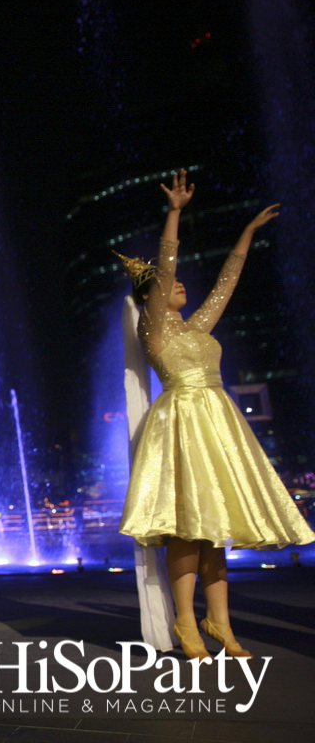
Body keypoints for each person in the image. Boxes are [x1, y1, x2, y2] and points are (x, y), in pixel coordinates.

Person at [117, 170, 315, 661]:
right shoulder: (153, 332)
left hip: (218, 422)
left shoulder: (198, 326)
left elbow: (228, 282)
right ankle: (187, 621)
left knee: (215, 526)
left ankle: (219, 622)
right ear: (149, 298)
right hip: (182, 421)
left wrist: (247, 234)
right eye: (165, 285)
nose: (178, 284)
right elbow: (165, 270)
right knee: (189, 526)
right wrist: (175, 213)